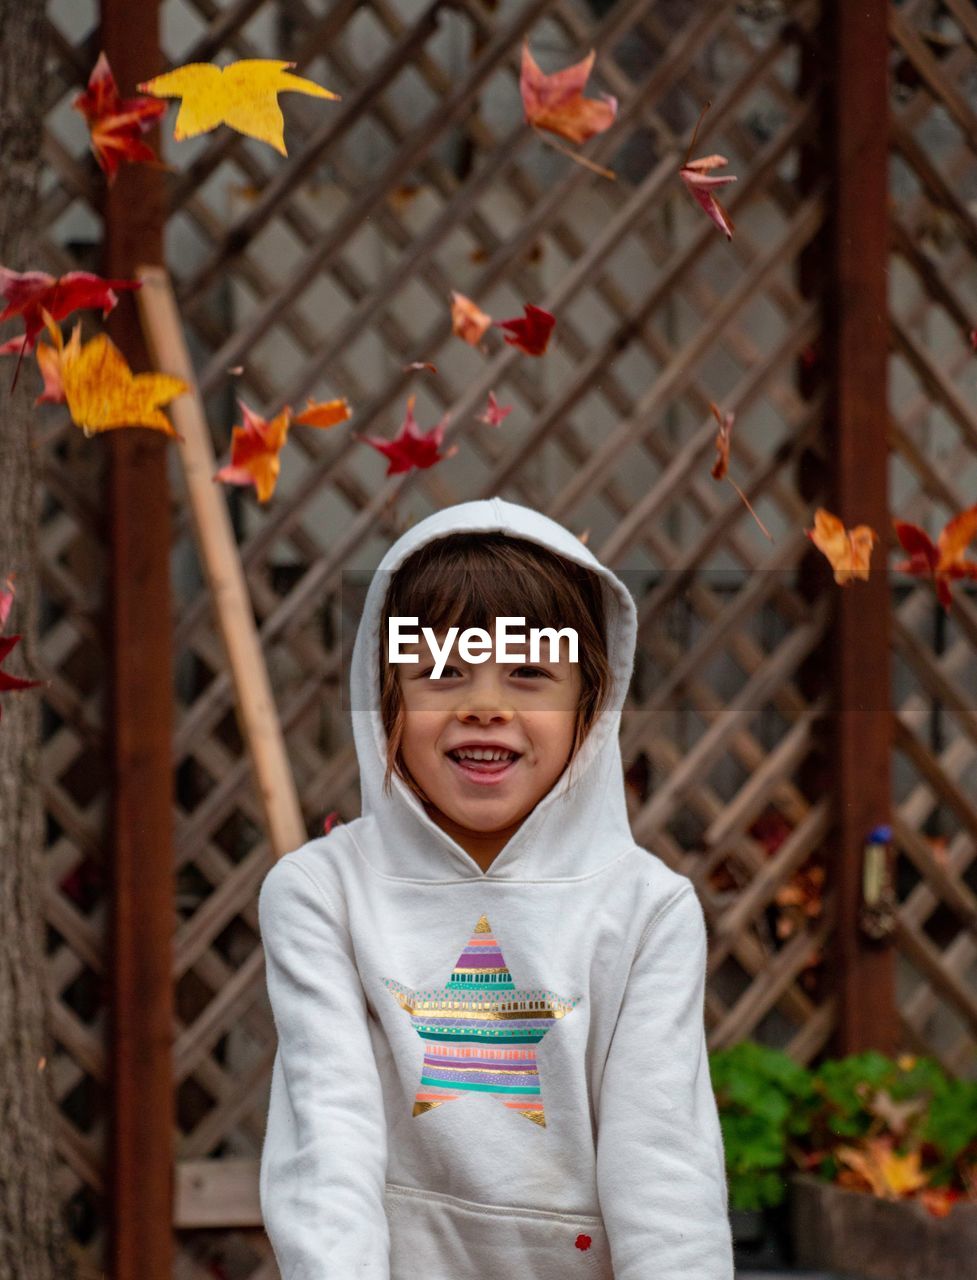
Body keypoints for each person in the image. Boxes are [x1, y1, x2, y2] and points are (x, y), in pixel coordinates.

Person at [258, 497, 734, 1280]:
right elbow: (326, 1149)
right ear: (385, 696)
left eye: (528, 672)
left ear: (591, 704)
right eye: (442, 672)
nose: (486, 705)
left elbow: (664, 1173)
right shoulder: (320, 894)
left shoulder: (647, 910)